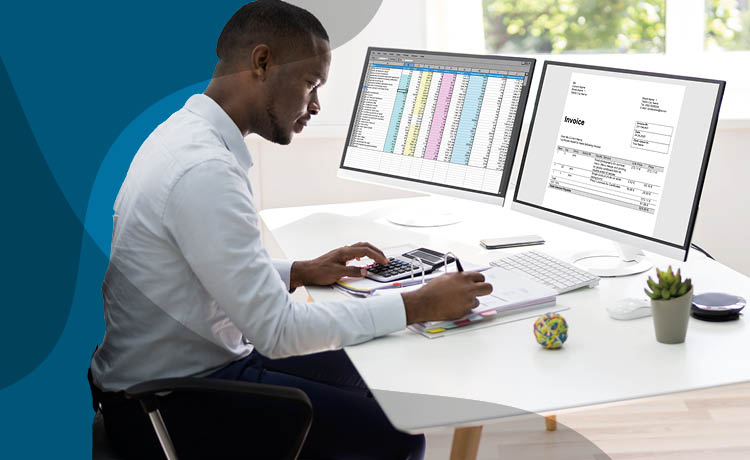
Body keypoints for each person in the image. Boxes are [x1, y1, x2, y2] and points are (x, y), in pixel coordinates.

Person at [89, 1, 492, 458]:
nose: (315, 105)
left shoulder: (184, 136)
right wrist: (416, 304)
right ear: (262, 63)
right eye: (310, 83)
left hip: (183, 369)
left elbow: (201, 270)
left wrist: (297, 270)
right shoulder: (204, 170)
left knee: (375, 374)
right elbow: (277, 332)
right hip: (168, 405)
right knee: (399, 438)